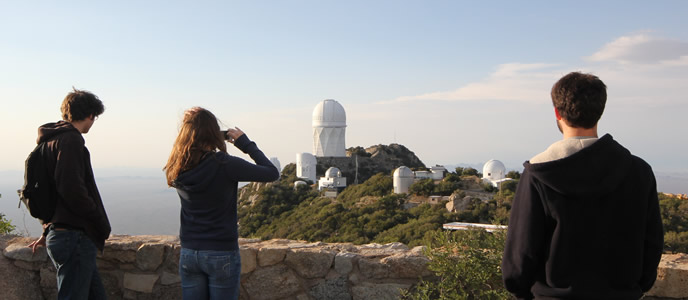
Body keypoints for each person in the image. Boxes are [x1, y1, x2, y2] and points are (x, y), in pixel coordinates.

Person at [501, 72, 664, 299]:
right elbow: (652, 243)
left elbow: (521, 254)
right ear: (600, 111)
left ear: (557, 112)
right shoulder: (638, 171)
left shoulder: (539, 175)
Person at [164, 107, 279, 300]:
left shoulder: (177, 166)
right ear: (213, 133)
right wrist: (245, 144)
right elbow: (271, 172)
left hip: (190, 252)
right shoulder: (225, 164)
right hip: (221, 252)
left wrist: (191, 120)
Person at [28, 88, 111, 299]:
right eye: (95, 117)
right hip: (74, 236)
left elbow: (49, 190)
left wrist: (48, 228)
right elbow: (70, 189)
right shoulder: (71, 140)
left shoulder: (48, 141)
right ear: (91, 115)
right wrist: (96, 217)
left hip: (60, 232)